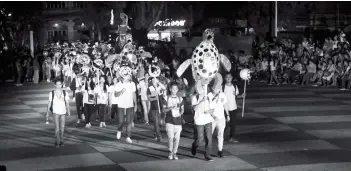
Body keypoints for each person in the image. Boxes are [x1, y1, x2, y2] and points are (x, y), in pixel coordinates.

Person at [191, 86, 215, 162]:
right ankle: (194, 146)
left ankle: (208, 155)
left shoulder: (210, 95)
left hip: (208, 120)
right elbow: (194, 108)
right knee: (200, 138)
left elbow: (212, 108)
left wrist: (210, 111)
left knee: (209, 138)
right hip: (199, 120)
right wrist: (201, 101)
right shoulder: (195, 97)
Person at [46, 78, 70, 148]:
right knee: (57, 128)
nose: (59, 86)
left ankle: (61, 140)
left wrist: (68, 110)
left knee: (62, 128)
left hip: (63, 112)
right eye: (57, 84)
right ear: (55, 85)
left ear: (62, 84)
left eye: (60, 84)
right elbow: (49, 103)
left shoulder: (65, 93)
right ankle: (57, 142)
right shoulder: (52, 93)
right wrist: (47, 112)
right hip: (55, 112)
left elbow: (67, 103)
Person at [163, 82, 184, 160]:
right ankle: (170, 152)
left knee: (177, 139)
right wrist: (170, 108)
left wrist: (180, 113)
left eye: (176, 89)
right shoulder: (166, 98)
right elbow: (163, 110)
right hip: (169, 121)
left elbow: (182, 109)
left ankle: (175, 152)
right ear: (170, 89)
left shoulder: (180, 99)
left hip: (178, 121)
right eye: (173, 89)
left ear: (177, 90)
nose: (174, 90)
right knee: (171, 137)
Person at [115, 75, 137, 143]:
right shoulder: (118, 84)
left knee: (129, 122)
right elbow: (115, 95)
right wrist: (121, 91)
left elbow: (134, 94)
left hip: (130, 105)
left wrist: (135, 103)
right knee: (121, 121)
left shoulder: (132, 84)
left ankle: (128, 136)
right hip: (121, 105)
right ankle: (119, 130)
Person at [223, 73, 245, 143]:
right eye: (227, 77)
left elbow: (236, 95)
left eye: (230, 76)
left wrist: (241, 96)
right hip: (225, 109)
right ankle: (220, 135)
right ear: (225, 78)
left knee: (233, 124)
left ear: (232, 78)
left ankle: (231, 137)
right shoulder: (222, 87)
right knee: (224, 124)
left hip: (233, 108)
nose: (229, 78)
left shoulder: (234, 86)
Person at [209, 86, 229, 158]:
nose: (217, 89)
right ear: (212, 88)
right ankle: (208, 150)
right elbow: (207, 108)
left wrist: (227, 114)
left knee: (220, 135)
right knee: (209, 135)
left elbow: (225, 104)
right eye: (215, 87)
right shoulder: (209, 95)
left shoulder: (222, 94)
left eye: (218, 87)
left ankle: (220, 150)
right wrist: (213, 116)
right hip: (211, 118)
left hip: (221, 118)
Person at [147, 77, 166, 142]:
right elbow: (149, 98)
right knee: (156, 122)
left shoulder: (159, 86)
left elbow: (164, 88)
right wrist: (155, 95)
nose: (154, 80)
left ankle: (155, 133)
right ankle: (159, 136)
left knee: (159, 123)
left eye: (155, 79)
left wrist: (158, 83)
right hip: (154, 108)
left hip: (161, 107)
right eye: (153, 79)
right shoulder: (150, 88)